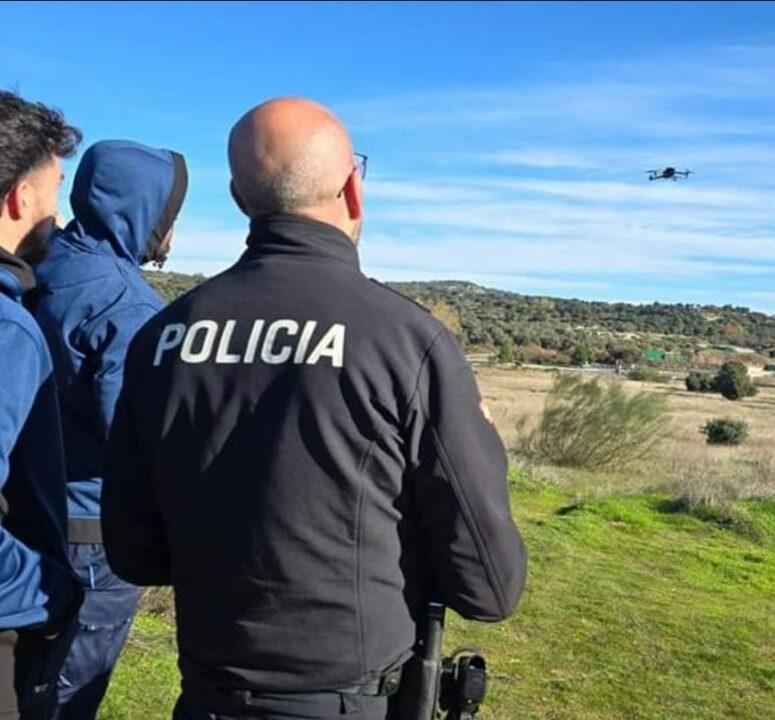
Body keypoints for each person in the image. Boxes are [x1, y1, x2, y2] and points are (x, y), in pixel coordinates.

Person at [102, 97, 527, 720]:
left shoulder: (162, 338)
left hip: (206, 695)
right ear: (354, 189)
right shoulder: (406, 342)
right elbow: (489, 587)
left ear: (240, 197)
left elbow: (136, 552)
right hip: (348, 700)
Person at [30, 139, 188, 719]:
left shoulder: (37, 264)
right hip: (89, 531)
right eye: (171, 216)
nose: (172, 233)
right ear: (145, 211)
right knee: (69, 689)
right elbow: (134, 439)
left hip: (20, 509)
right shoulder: (126, 308)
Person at [0, 90, 85, 719]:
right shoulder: (8, 331)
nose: (60, 212)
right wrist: (48, 593)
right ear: (18, 198)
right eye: (55, 188)